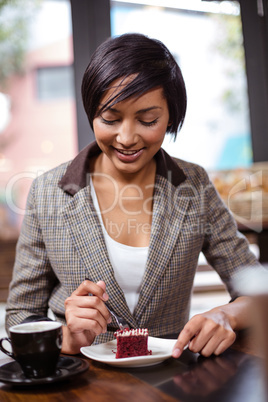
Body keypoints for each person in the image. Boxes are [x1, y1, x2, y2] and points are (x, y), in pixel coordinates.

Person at [6, 33, 258, 357]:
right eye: (110, 119)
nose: (126, 138)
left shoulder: (193, 185)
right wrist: (66, 338)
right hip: (82, 382)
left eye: (147, 120)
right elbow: (19, 317)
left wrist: (226, 315)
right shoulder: (47, 193)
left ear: (170, 117)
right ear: (92, 113)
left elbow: (256, 291)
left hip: (169, 378)